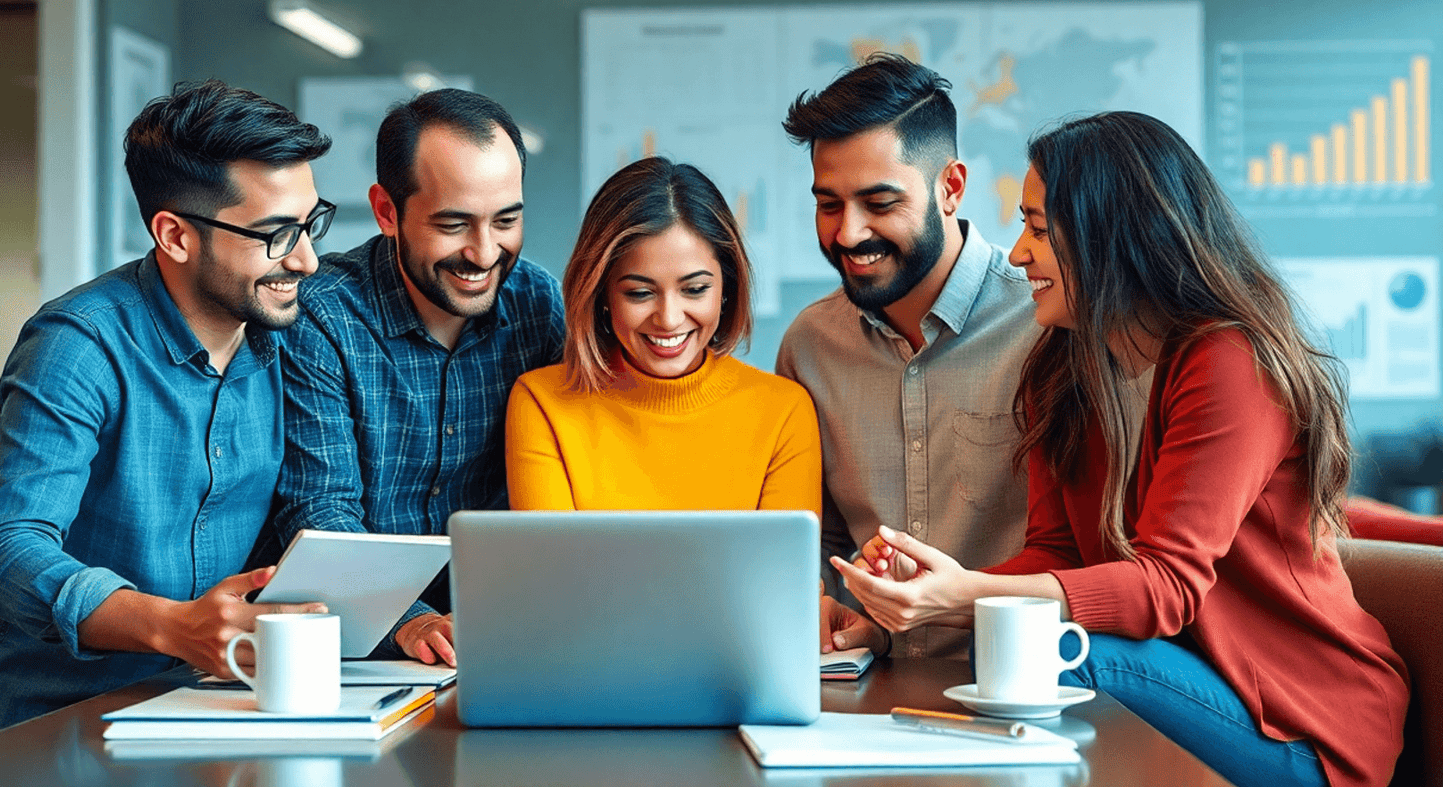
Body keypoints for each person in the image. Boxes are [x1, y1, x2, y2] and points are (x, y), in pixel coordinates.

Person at [835, 112, 1408, 787]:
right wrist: (930, 583)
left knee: (1046, 653)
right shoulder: (1067, 365)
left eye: (1040, 230)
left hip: (1299, 727)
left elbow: (1166, 588)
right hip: (1181, 687)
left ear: (1115, 239)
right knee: (1013, 649)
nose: (1019, 253)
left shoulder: (1228, 360)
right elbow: (1058, 555)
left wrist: (962, 597)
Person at [0, 79, 335, 740]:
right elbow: (6, 551)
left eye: (310, 223)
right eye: (275, 234)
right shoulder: (77, 346)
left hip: (204, 708)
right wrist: (175, 626)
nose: (307, 259)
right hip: (46, 720)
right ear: (175, 235)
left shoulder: (290, 338)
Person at [271, 88, 564, 667]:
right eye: (453, 224)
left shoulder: (535, 303)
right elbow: (319, 511)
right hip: (362, 645)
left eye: (506, 220)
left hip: (505, 633)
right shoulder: (323, 316)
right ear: (387, 212)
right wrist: (413, 622)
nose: (484, 253)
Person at [776, 54, 1038, 660]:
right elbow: (818, 537)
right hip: (864, 691)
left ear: (950, 188)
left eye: (879, 203)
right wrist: (827, 602)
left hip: (1025, 684)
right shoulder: (810, 346)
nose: (848, 234)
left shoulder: (1046, 322)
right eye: (829, 204)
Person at [506, 157, 821, 515]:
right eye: (639, 293)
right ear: (602, 295)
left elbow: (788, 570)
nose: (669, 319)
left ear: (726, 289)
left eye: (695, 289)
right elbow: (551, 568)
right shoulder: (542, 403)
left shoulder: (783, 412)